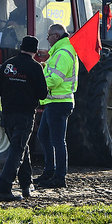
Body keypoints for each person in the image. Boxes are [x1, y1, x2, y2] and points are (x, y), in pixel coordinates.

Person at [0, 35, 48, 202]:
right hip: (24, 115)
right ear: (35, 51)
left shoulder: (8, 64)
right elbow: (42, 93)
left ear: (21, 47)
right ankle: (4, 189)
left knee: (21, 149)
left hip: (7, 114)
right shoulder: (35, 67)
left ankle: (26, 185)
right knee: (16, 152)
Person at [35, 23, 78, 189]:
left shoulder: (62, 53)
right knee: (44, 136)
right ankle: (50, 172)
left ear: (57, 36)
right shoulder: (61, 52)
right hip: (54, 102)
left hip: (59, 103)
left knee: (57, 141)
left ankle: (59, 177)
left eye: (49, 35)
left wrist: (37, 84)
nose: (47, 38)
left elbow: (55, 79)